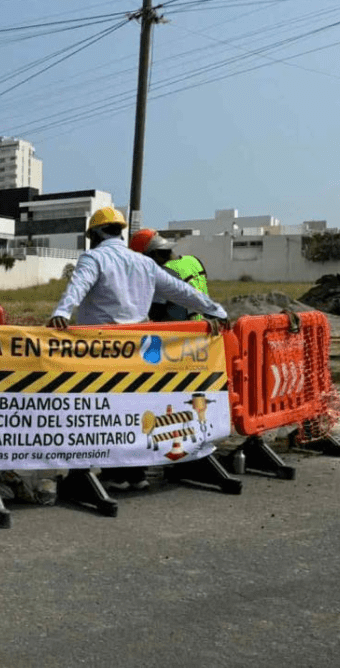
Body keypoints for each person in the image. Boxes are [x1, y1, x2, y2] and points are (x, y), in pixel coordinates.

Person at [47, 207, 228, 492]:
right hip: (141, 350)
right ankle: (136, 473)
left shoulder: (94, 257)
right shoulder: (142, 262)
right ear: (119, 230)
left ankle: (113, 474)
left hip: (101, 351)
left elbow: (78, 286)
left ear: (94, 234)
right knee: (134, 409)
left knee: (102, 412)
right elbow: (181, 291)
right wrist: (215, 310)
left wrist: (62, 312)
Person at [129, 229, 211, 321]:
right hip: (205, 323)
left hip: (183, 328)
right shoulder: (193, 260)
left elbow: (155, 311)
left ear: (155, 253)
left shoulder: (166, 272)